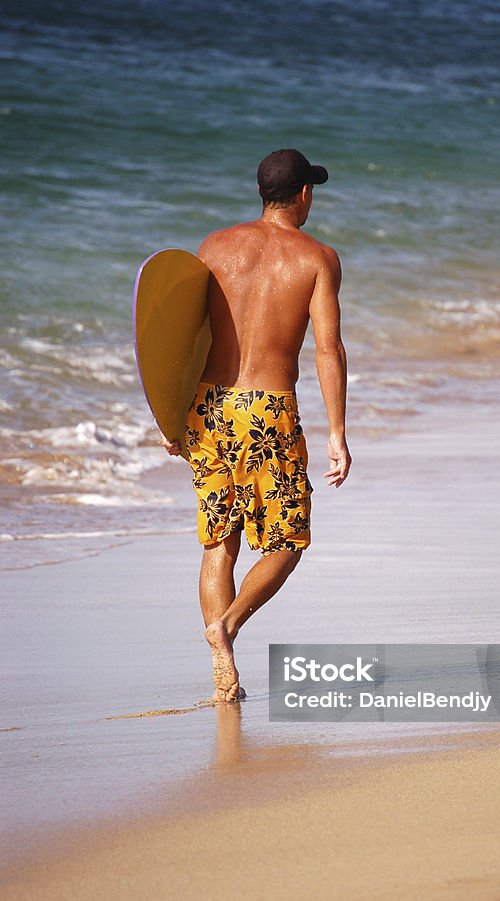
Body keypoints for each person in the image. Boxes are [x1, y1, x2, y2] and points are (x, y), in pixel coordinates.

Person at [162, 149, 351, 702]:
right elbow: (328, 349)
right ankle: (230, 623)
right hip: (268, 411)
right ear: (304, 194)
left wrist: (170, 413)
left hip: (210, 407)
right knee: (287, 540)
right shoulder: (317, 258)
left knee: (219, 540)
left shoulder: (214, 248)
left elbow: (180, 339)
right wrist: (337, 433)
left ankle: (223, 679)